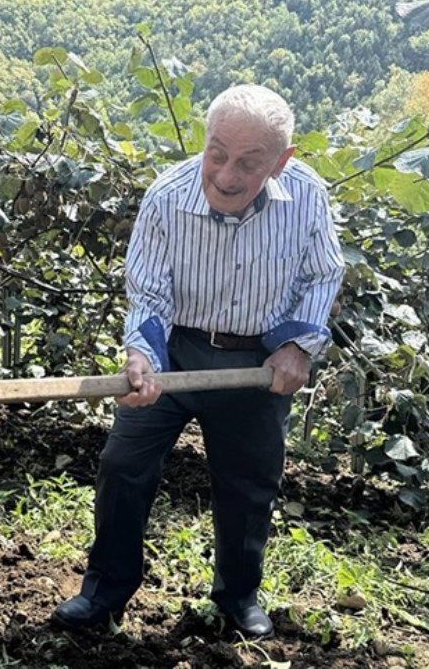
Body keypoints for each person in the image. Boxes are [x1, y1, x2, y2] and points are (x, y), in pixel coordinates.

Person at [51, 84, 344, 639]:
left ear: (282, 161)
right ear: (204, 142)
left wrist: (296, 347)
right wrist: (142, 354)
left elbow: (322, 275)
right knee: (123, 465)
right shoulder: (167, 196)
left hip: (254, 363)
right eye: (217, 154)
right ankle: (104, 593)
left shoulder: (307, 195)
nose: (227, 176)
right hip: (175, 351)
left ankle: (237, 599)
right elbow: (148, 294)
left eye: (248, 163)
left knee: (249, 482)